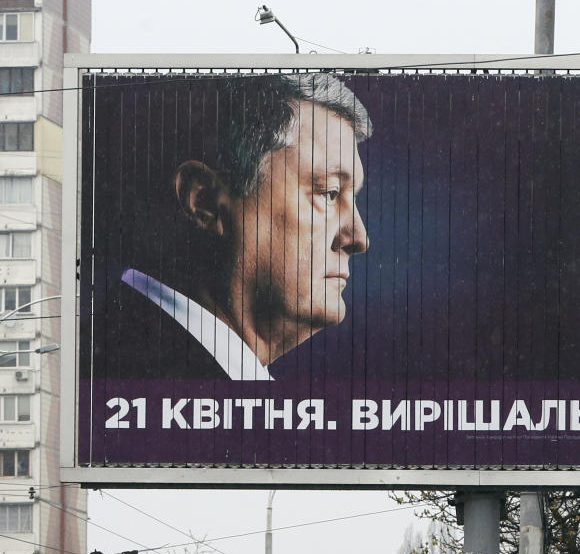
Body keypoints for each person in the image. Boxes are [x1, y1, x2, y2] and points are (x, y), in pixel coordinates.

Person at [90, 72, 371, 383]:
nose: (358, 238)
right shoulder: (129, 372)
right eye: (329, 193)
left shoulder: (136, 360)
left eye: (351, 198)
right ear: (205, 200)